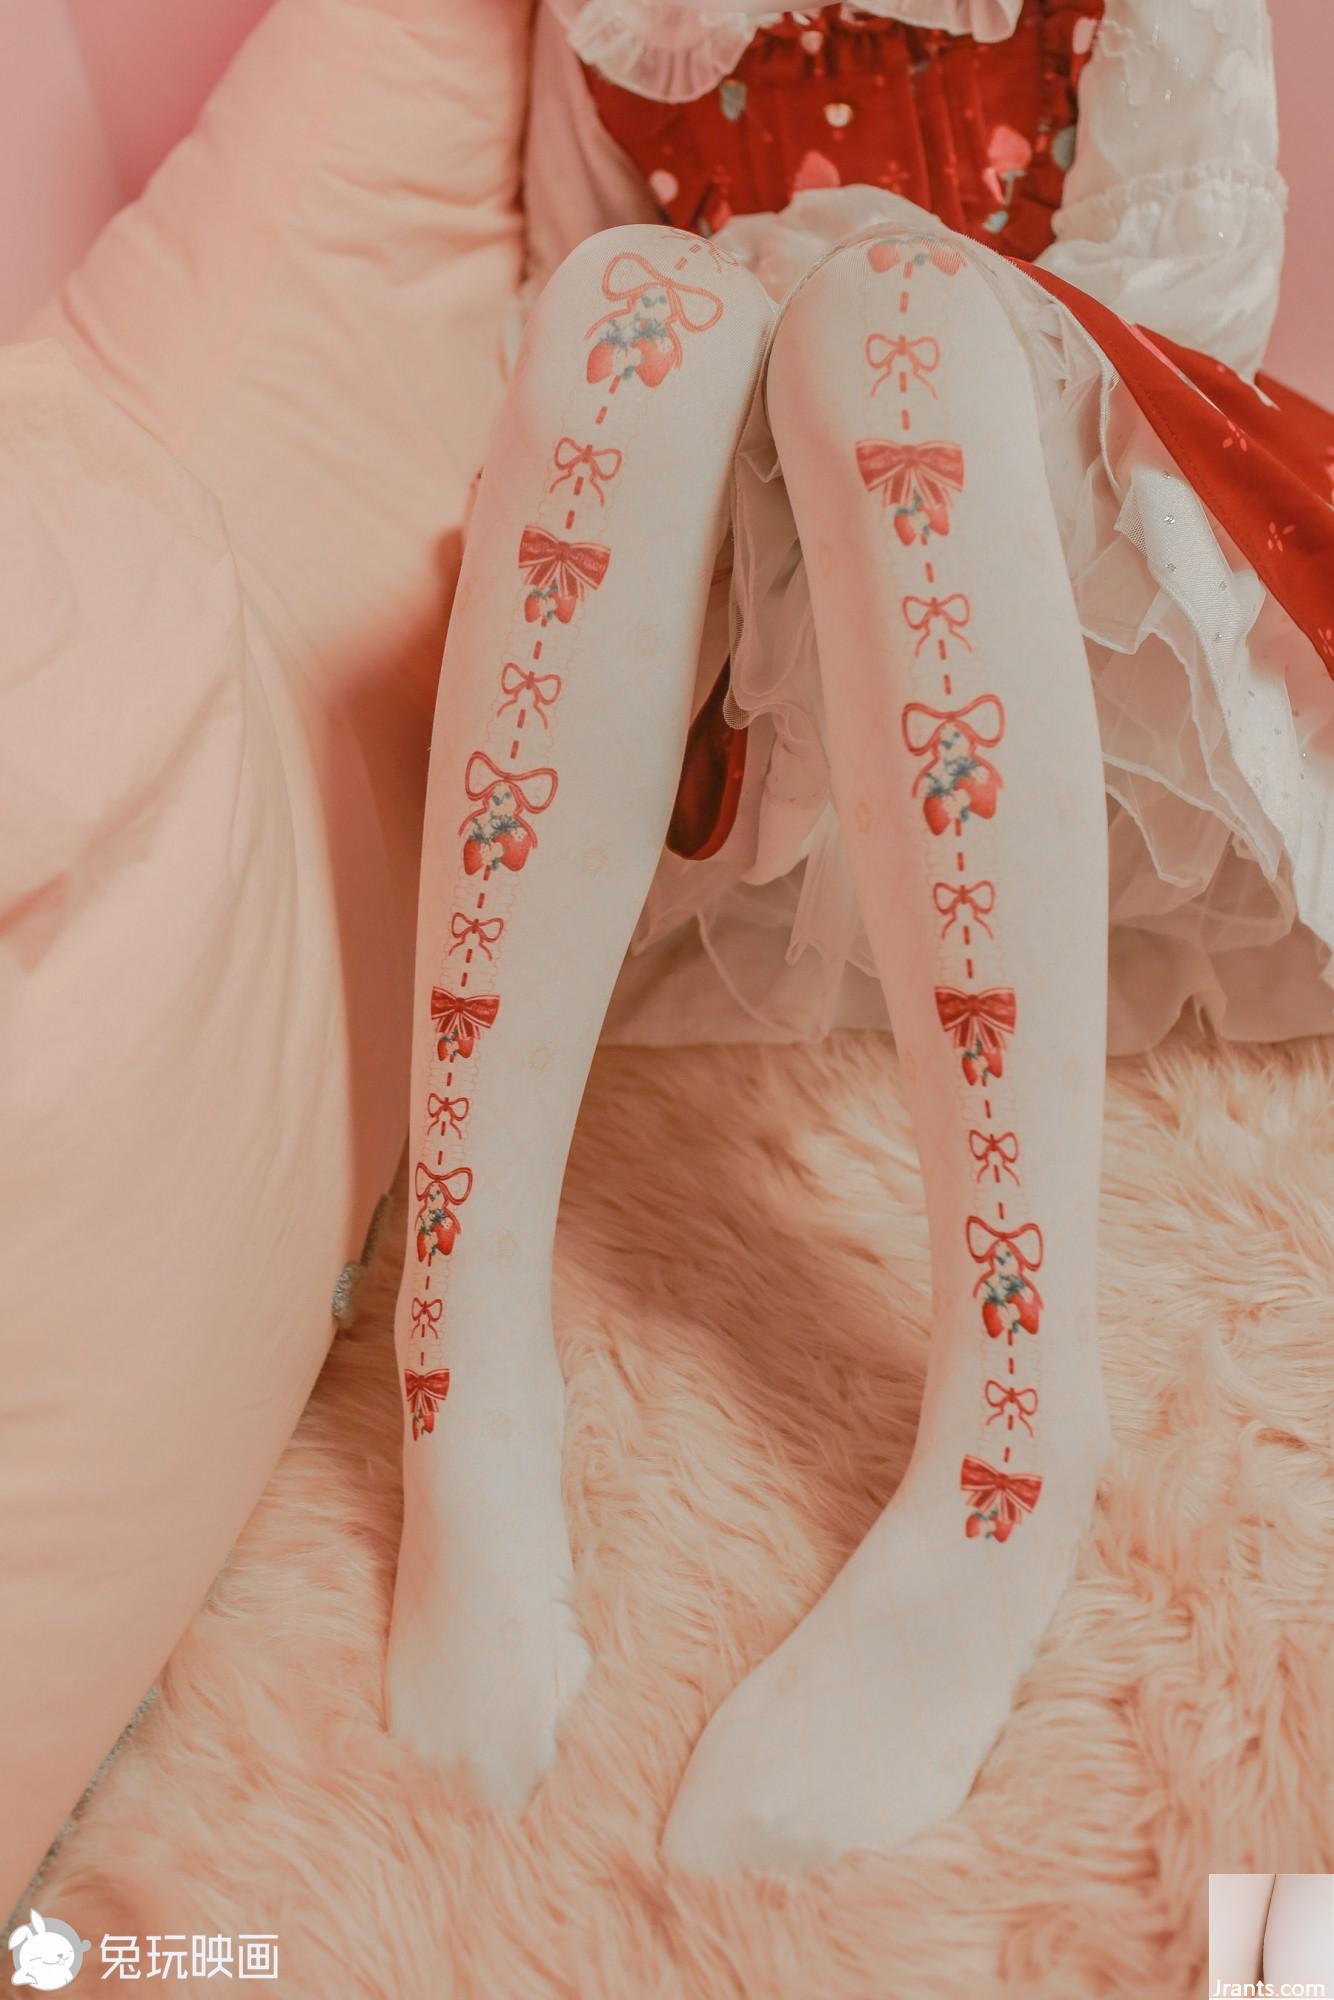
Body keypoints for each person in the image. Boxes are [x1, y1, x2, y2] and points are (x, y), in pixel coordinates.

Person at [382, 0, 1334, 1873]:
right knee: (625, 313)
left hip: (1060, 585)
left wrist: (868, 283)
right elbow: (569, 299)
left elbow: (1198, 290)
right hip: (751, 655)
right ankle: (459, 1365)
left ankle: (1012, 1430)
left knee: (893, 328)